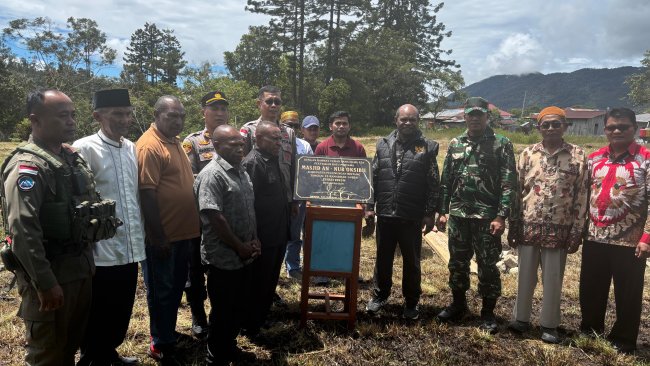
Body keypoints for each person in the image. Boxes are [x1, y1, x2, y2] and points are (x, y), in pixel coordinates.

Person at [1, 89, 120, 365]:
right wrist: (45, 283)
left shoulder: (70, 158)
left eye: (73, 115)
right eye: (62, 115)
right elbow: (22, 230)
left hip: (79, 269)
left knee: (69, 345)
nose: (71, 121)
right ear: (36, 120)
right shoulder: (28, 167)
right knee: (48, 353)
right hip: (50, 275)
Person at [73, 89, 145, 365]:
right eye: (117, 114)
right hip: (100, 249)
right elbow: (79, 202)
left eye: (127, 114)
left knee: (121, 306)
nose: (124, 119)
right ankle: (92, 357)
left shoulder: (131, 147)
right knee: (98, 309)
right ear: (98, 116)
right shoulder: (84, 148)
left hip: (129, 244)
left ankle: (109, 353)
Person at [506, 106, 588, 343]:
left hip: (560, 228)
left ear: (565, 126)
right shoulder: (527, 154)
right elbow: (516, 191)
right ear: (539, 127)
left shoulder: (578, 156)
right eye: (546, 124)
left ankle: (549, 325)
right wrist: (513, 224)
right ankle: (521, 319)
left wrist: (577, 230)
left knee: (553, 278)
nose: (551, 128)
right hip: (528, 226)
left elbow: (582, 195)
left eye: (556, 124)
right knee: (525, 276)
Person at [436, 97, 517, 334]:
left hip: (487, 218)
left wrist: (502, 216)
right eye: (470, 114)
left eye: (479, 114)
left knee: (488, 266)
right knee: (458, 263)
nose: (474, 118)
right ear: (464, 116)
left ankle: (488, 312)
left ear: (487, 116)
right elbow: (446, 180)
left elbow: (508, 183)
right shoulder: (455, 143)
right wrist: (442, 211)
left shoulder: (501, 144)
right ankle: (458, 304)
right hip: (459, 215)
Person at [580, 107, 650, 354]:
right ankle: (590, 329)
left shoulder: (645, 158)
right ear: (606, 130)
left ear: (635, 129)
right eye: (611, 127)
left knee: (628, 293)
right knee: (590, 287)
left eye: (623, 127)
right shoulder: (594, 158)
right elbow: (584, 195)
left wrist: (647, 238)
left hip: (629, 241)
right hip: (595, 235)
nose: (617, 131)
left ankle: (624, 339)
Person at [136, 95, 200, 362]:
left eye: (181, 116)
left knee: (174, 289)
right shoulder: (150, 146)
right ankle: (160, 343)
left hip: (183, 233)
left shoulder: (174, 142)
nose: (178, 121)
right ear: (156, 115)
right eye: (172, 116)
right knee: (161, 291)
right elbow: (147, 194)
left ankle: (167, 333)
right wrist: (158, 236)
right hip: (163, 238)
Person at [365, 104, 440, 320]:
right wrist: (370, 207)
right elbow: (373, 178)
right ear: (395, 120)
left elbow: (433, 183)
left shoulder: (426, 147)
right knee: (383, 258)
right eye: (403, 119)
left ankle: (411, 302)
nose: (407, 123)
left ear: (418, 121)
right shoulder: (382, 145)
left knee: (412, 261)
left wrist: (429, 213)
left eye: (412, 120)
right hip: (387, 213)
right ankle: (380, 296)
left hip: (412, 215)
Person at [194, 124, 260, 365]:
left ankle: (229, 346)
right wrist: (239, 246)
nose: (240, 147)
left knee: (238, 307)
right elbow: (215, 218)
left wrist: (254, 240)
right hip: (223, 257)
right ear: (217, 145)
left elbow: (248, 210)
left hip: (245, 254)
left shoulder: (241, 171)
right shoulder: (212, 175)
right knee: (223, 311)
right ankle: (217, 355)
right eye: (233, 144)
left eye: (241, 144)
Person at [181, 90, 230, 338]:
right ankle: (198, 316)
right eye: (215, 109)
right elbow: (189, 179)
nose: (220, 113)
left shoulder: (234, 138)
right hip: (200, 219)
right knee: (196, 270)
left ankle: (221, 315)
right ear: (204, 112)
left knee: (221, 269)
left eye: (223, 109)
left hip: (227, 219)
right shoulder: (193, 142)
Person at [242, 121, 291, 335]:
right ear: (258, 139)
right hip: (264, 236)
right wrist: (253, 236)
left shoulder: (273, 160)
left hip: (278, 233)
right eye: (274, 138)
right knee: (258, 282)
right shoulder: (253, 163)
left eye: (280, 138)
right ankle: (251, 324)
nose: (279, 143)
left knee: (270, 281)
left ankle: (261, 318)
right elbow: (248, 203)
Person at [280, 112, 313, 280]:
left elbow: (308, 172)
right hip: (277, 197)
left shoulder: (304, 146)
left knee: (294, 234)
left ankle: (292, 267)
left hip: (297, 197)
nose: (290, 129)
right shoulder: (274, 142)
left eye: (294, 125)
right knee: (276, 234)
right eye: (287, 125)